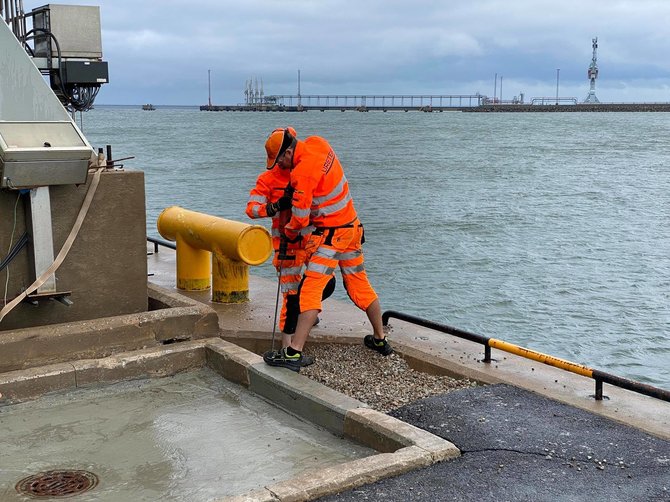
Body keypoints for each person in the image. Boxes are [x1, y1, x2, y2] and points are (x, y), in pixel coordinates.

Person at [262, 127, 392, 372]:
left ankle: (293, 352)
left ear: (288, 152)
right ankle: (380, 339)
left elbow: (299, 219)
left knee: (309, 289)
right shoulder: (319, 143)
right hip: (353, 227)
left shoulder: (301, 173)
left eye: (280, 159)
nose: (280, 165)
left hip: (332, 236)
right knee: (359, 284)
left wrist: (288, 232)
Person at [246, 128, 335, 366]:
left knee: (326, 282)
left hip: (311, 241)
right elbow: (252, 208)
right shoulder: (267, 179)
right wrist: (274, 207)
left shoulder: (304, 167)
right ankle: (287, 347)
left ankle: (306, 315)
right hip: (286, 247)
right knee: (290, 297)